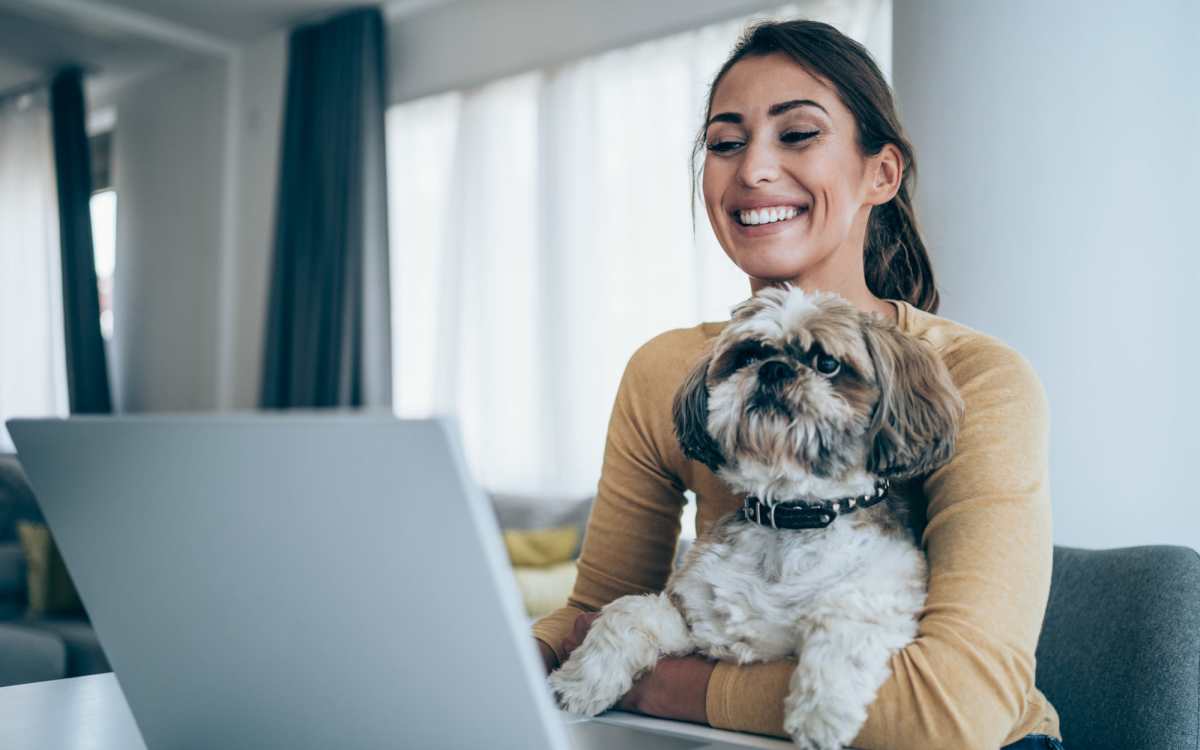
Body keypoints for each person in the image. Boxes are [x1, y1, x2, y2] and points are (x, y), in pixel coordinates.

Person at [533, 19, 1065, 750]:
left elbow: (949, 717)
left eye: (797, 134)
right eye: (725, 143)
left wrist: (655, 681)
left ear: (881, 173)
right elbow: (596, 614)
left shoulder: (979, 378)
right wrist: (507, 659)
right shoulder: (668, 370)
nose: (752, 169)